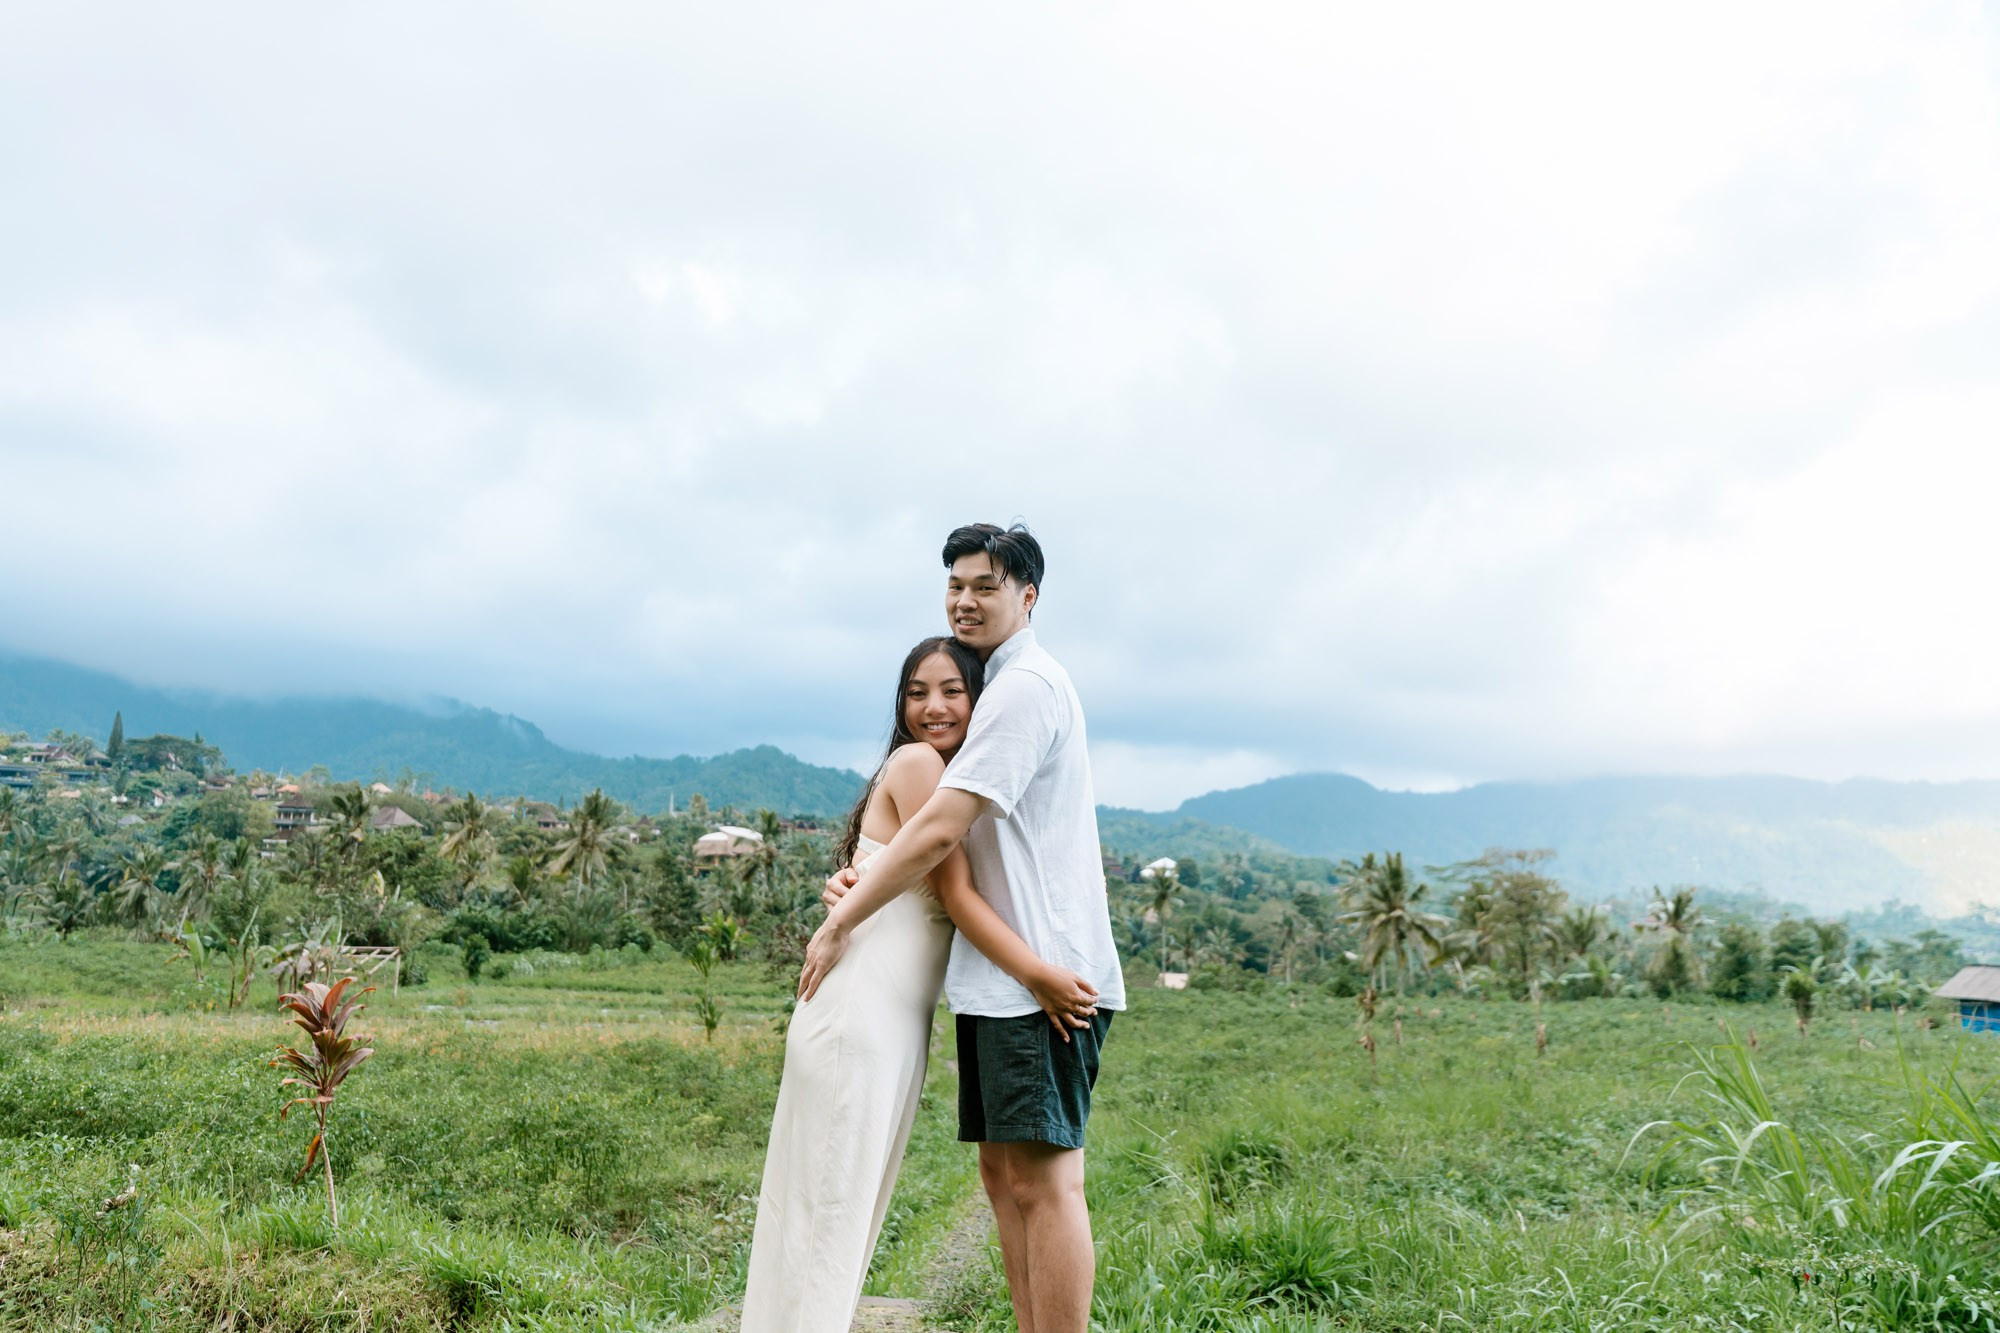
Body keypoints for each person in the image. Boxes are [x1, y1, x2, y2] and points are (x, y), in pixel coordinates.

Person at [801, 523, 1126, 1333]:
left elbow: (945, 826)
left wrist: (844, 916)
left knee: (1047, 1183)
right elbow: (937, 852)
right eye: (956, 584)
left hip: (1040, 978)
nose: (966, 598)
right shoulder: (994, 688)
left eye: (985, 584)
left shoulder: (1024, 688)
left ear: (1027, 595)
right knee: (1003, 1178)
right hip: (998, 980)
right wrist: (867, 872)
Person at [740, 635, 1100, 1333]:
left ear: (980, 699)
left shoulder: (957, 785)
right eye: (916, 692)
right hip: (858, 1021)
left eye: (951, 691)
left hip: (888, 1027)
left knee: (833, 1211)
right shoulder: (916, 765)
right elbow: (959, 895)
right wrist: (1037, 974)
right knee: (828, 1215)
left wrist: (855, 890)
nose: (933, 706)